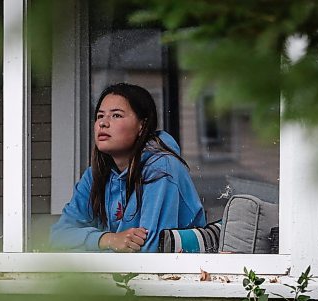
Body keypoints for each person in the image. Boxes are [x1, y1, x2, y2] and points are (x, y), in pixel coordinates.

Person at [50, 83, 206, 252]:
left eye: (116, 115)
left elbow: (151, 250)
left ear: (142, 126)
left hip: (178, 275)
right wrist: (107, 239)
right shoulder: (95, 175)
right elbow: (58, 238)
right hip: (119, 274)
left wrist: (88, 248)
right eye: (100, 116)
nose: (103, 123)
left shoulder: (162, 168)